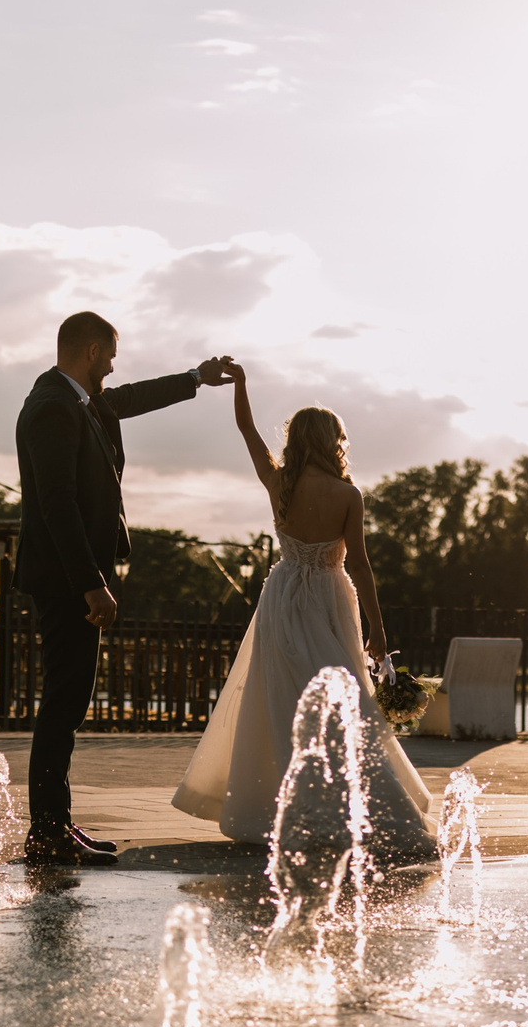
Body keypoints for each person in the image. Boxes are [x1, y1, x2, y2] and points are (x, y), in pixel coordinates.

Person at [171, 365, 435, 852]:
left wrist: (243, 385)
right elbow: (362, 565)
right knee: (344, 703)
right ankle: (361, 807)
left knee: (281, 702)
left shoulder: (279, 483)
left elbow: (246, 431)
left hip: (283, 594)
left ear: (296, 440)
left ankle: (284, 805)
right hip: (331, 598)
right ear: (334, 441)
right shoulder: (347, 495)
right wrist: (378, 630)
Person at [14, 310, 234, 865]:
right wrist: (90, 585)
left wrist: (195, 378)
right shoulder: (52, 408)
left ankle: (55, 821)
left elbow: (130, 398)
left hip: (77, 575)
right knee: (63, 701)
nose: (113, 368)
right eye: (109, 357)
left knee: (70, 700)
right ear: (90, 351)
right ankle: (46, 831)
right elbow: (56, 503)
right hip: (68, 580)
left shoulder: (78, 401)